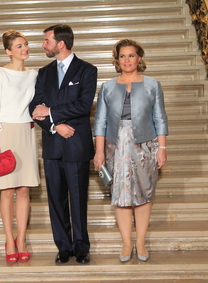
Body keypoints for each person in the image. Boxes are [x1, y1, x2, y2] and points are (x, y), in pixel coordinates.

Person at [93, 38, 168, 263]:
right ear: (117, 60)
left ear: (139, 58)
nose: (127, 60)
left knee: (145, 194)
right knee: (121, 194)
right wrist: (99, 152)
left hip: (146, 145)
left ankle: (141, 241)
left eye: (131, 55)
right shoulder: (107, 87)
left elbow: (160, 118)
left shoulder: (152, 85)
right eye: (122, 56)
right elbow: (100, 121)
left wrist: (162, 148)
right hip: (115, 146)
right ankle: (127, 242)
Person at [29, 24, 97, 264]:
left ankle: (81, 248)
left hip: (76, 145)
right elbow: (34, 107)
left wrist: (50, 111)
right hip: (52, 144)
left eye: (46, 41)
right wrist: (53, 125)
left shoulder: (87, 70)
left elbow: (83, 105)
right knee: (55, 200)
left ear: (61, 44)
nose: (43, 45)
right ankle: (63, 247)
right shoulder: (43, 73)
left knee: (78, 198)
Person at [0, 30, 40, 263]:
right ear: (8, 51)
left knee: (24, 189)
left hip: (27, 133)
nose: (24, 49)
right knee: (7, 190)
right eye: (19, 46)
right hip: (5, 133)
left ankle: (22, 239)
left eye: (26, 44)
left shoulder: (35, 75)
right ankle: (9, 240)